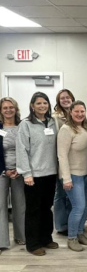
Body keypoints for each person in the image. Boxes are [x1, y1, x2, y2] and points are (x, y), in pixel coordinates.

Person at [16, 92, 58, 256]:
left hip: (51, 172)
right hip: (34, 175)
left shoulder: (52, 122)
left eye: (45, 103)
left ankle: (46, 238)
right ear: (32, 106)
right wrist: (26, 173)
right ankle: (33, 244)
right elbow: (22, 150)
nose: (42, 106)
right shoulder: (25, 124)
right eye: (39, 103)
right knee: (34, 209)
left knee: (47, 208)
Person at [57, 100, 87, 252]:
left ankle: (80, 233)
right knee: (78, 207)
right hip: (72, 174)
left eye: (82, 111)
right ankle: (71, 238)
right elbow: (62, 155)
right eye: (76, 111)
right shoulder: (66, 129)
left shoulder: (86, 127)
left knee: (85, 207)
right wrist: (66, 178)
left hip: (86, 174)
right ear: (70, 112)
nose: (79, 114)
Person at [0, 97, 25, 254]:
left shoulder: (23, 126)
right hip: (1, 171)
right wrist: (5, 169)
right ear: (1, 111)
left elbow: (27, 148)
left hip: (20, 172)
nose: (8, 110)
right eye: (5, 108)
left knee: (20, 205)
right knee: (1, 206)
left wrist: (19, 168)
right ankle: (2, 241)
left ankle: (21, 235)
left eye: (11, 107)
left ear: (16, 109)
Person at [52, 89, 75, 236]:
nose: (65, 100)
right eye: (62, 98)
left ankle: (71, 223)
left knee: (71, 196)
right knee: (60, 194)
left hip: (75, 162)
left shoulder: (76, 115)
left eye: (68, 97)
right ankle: (61, 226)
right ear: (58, 101)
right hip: (60, 161)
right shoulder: (55, 118)